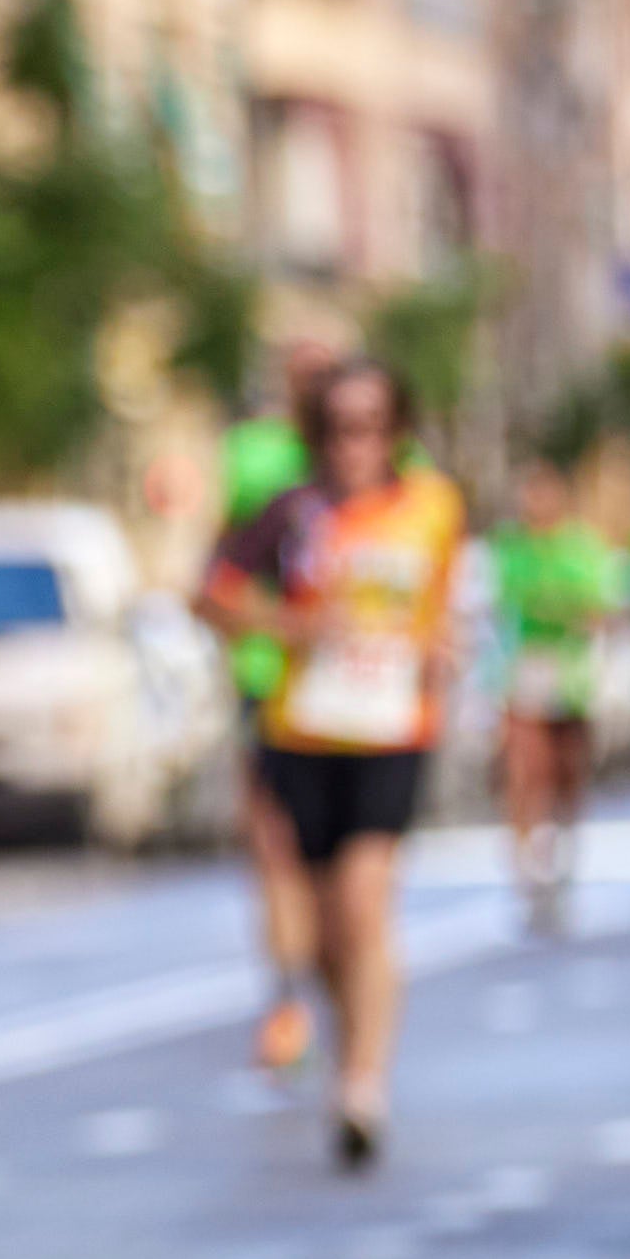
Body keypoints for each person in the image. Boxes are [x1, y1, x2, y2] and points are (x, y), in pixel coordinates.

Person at [200, 360, 463, 1168]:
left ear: (396, 432)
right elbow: (213, 592)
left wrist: (436, 649)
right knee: (316, 932)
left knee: (364, 902)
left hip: (391, 732)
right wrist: (291, 625)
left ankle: (362, 1082)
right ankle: (343, 1042)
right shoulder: (291, 510)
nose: (356, 445)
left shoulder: (432, 507)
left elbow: (448, 605)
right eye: (340, 427)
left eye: (372, 426)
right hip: (303, 732)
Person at [219, 336, 345, 1072]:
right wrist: (259, 625)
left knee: (342, 860)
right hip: (271, 676)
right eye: (302, 379)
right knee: (273, 840)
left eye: (327, 377)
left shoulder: (390, 462)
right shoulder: (254, 457)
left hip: (363, 694)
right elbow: (221, 565)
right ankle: (288, 988)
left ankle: (334, 967)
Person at [489, 458, 623, 935]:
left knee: (567, 775)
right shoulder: (507, 548)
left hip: (571, 680)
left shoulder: (583, 547)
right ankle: (528, 872)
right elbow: (494, 607)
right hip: (522, 676)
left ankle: (561, 862)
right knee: (525, 771)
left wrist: (574, 615)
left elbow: (603, 610)